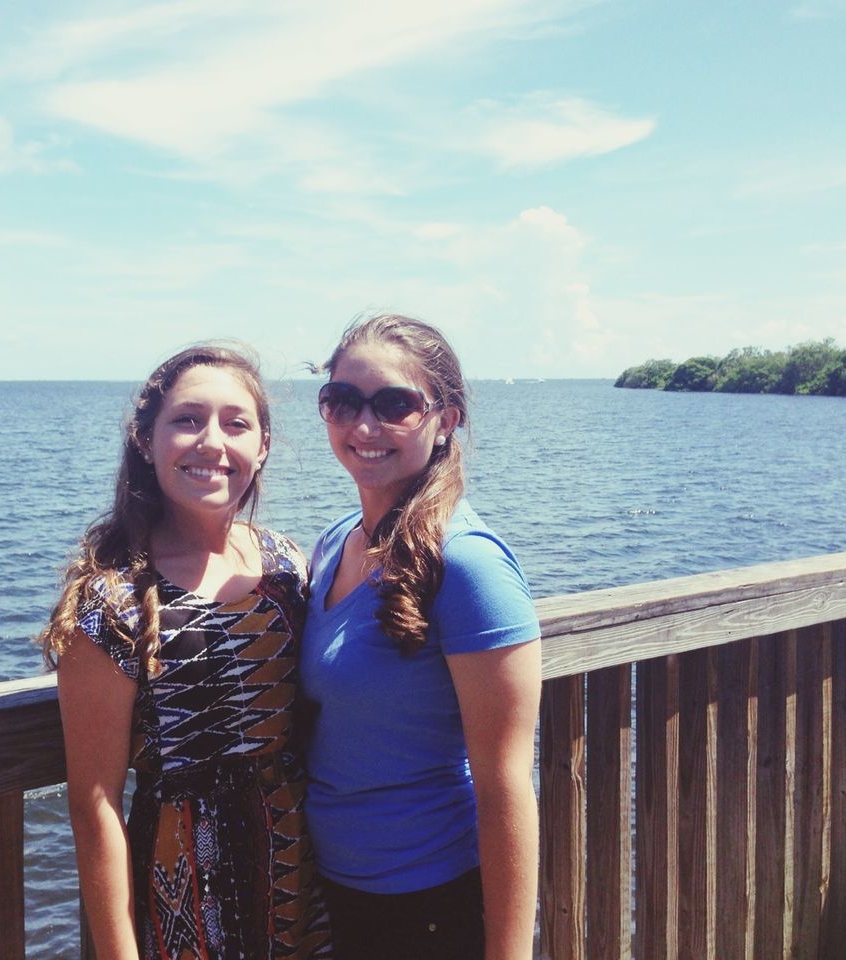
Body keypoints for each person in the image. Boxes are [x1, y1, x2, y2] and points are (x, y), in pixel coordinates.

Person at [39, 344, 333, 960]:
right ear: (146, 440)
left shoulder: (287, 566)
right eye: (187, 419)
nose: (212, 441)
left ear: (264, 445)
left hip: (306, 870)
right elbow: (94, 806)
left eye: (236, 423)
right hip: (187, 892)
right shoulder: (112, 603)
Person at [300, 315, 542, 960]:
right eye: (342, 401)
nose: (364, 426)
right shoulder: (335, 541)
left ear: (446, 418)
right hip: (335, 888)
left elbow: (505, 782)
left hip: (427, 901)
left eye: (395, 404)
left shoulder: (468, 565)